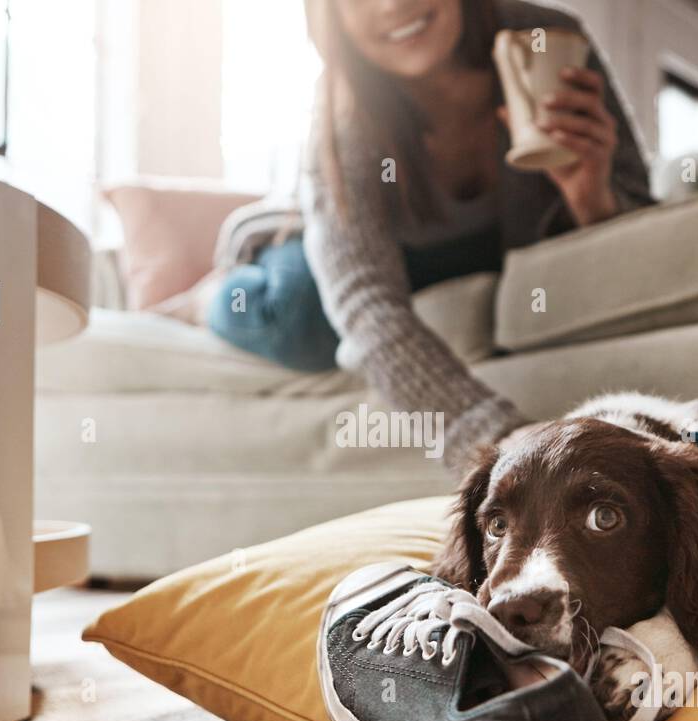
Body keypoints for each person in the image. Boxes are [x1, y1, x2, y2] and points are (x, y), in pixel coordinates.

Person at [208, 0, 653, 469]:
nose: (393, 4)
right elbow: (365, 299)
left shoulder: (549, 38)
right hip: (361, 249)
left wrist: (592, 196)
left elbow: (644, 222)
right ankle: (209, 293)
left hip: (486, 247)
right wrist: (494, 439)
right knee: (296, 312)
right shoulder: (341, 104)